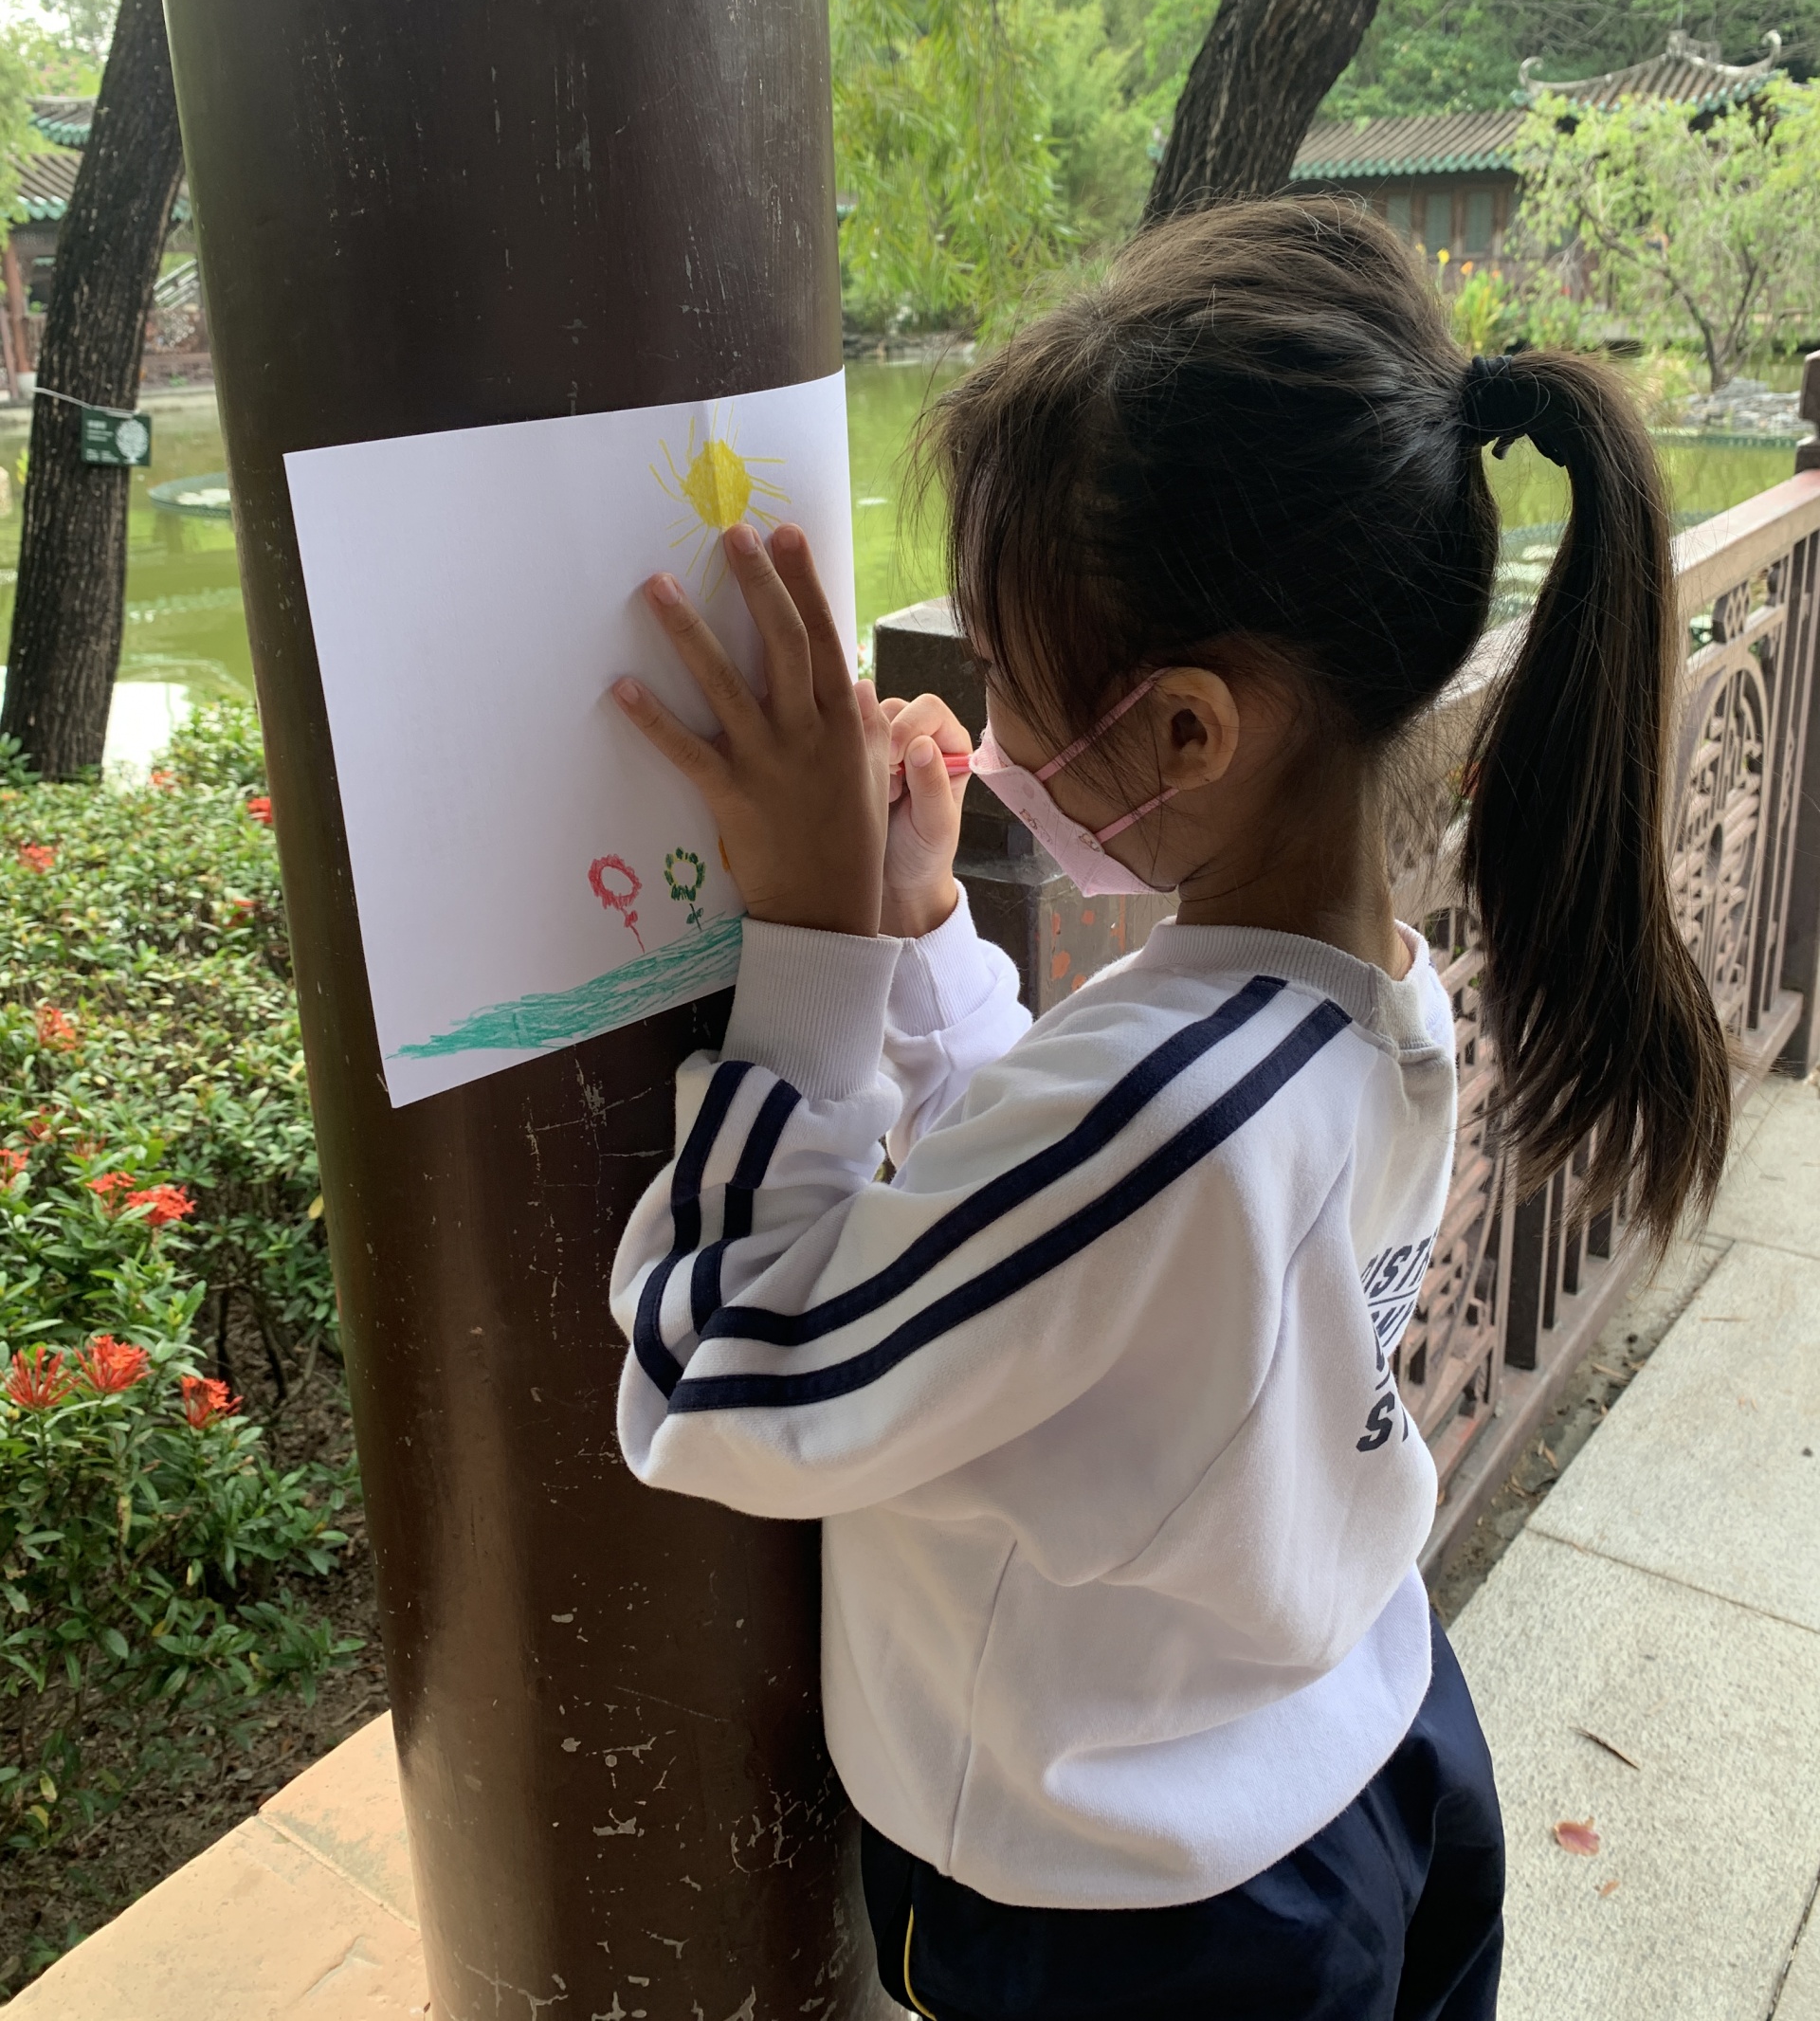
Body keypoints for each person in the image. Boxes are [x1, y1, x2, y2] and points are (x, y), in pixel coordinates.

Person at [607, 197, 1730, 2021]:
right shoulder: (1354, 998)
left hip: (1146, 1916)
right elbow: (1064, 1216)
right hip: (1358, 1754)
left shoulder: (1172, 1109)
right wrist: (926, 941)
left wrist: (808, 946)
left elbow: (720, 1375)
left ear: (1194, 732)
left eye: (1013, 681)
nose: (989, 732)